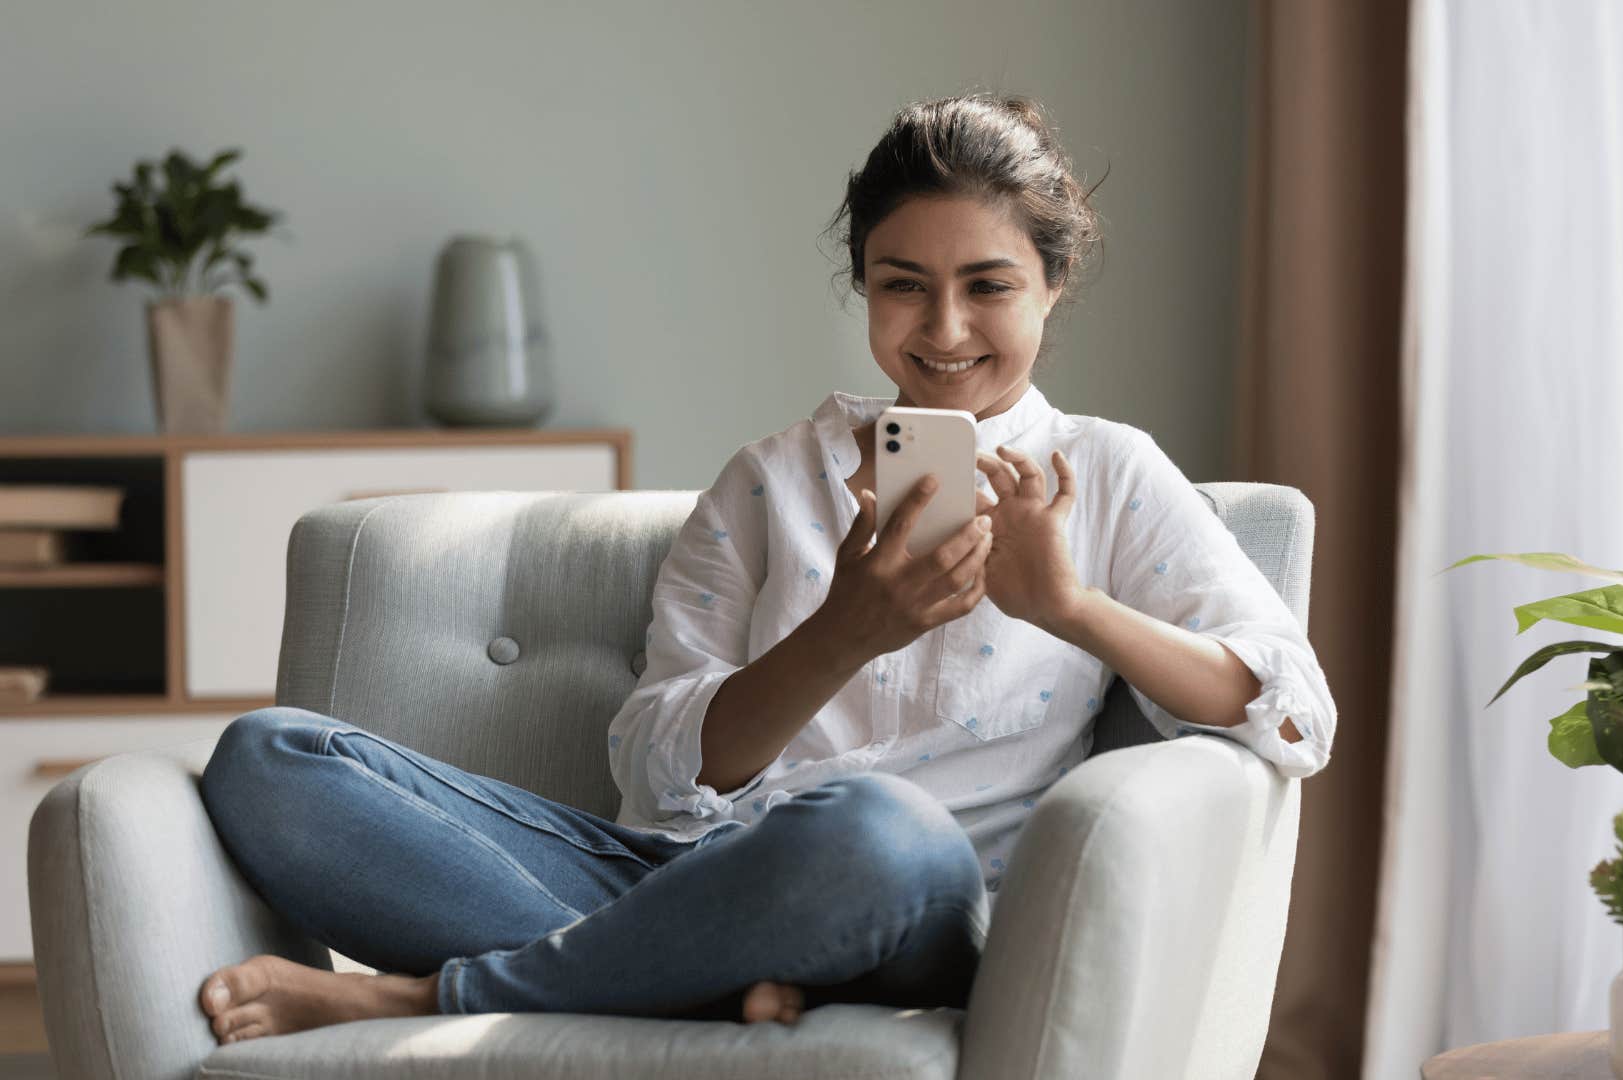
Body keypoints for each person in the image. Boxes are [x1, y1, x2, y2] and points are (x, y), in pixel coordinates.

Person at [194, 92, 1337, 1047]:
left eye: (988, 286)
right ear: (863, 286)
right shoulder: (768, 483)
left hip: (908, 898)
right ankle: (697, 983)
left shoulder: (1112, 474)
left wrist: (1072, 608)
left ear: (1051, 286)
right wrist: (845, 630)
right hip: (681, 879)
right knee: (271, 756)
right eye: (903, 284)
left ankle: (431, 997)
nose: (944, 328)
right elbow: (656, 775)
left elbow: (1293, 716)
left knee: (871, 827)